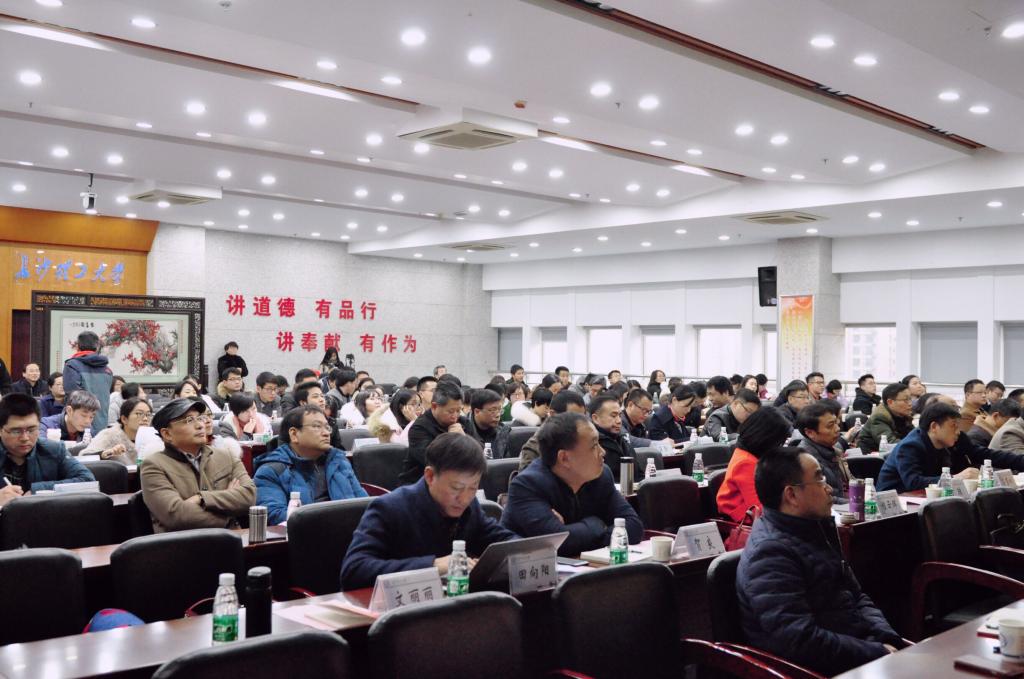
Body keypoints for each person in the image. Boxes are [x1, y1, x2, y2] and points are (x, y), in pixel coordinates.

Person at [737, 447, 903, 676]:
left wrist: (887, 639)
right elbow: (800, 640)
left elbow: (856, 596)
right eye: (819, 479)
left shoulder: (815, 529)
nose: (829, 488)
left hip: (857, 653)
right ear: (791, 495)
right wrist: (876, 652)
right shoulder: (770, 554)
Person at [341, 434, 518, 590]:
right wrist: (434, 565)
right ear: (430, 476)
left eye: (473, 488)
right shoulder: (390, 508)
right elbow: (354, 571)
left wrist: (494, 561)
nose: (464, 499)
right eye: (456, 488)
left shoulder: (470, 507)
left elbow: (505, 542)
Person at [502, 413, 643, 556]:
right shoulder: (528, 485)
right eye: (594, 446)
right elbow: (558, 544)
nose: (603, 452)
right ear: (564, 458)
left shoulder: (601, 476)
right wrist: (598, 524)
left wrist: (577, 535)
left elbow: (634, 526)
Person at [140, 398, 255, 533]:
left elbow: (249, 496)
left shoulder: (226, 456)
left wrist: (201, 498)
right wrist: (229, 514)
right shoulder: (154, 465)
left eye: (200, 418)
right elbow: (176, 515)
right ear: (167, 434)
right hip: (183, 544)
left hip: (229, 541)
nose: (200, 425)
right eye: (189, 420)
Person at [877, 402, 1024, 492]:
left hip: (931, 499)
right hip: (896, 506)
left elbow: (985, 454)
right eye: (953, 426)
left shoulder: (955, 438)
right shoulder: (910, 446)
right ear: (934, 427)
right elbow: (913, 482)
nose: (958, 431)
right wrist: (955, 478)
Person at [254, 405, 366, 524]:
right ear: (294, 434)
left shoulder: (338, 461)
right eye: (317, 426)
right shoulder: (271, 470)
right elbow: (276, 516)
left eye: (327, 427)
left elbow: (364, 502)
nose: (326, 433)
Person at [0, 394, 95, 503]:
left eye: (31, 430)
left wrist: (37, 491)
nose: (25, 438)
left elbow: (87, 480)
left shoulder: (54, 450)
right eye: (16, 431)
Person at [716, 406, 792, 522]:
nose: (780, 446)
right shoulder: (745, 463)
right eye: (778, 441)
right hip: (742, 519)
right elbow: (758, 508)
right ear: (766, 438)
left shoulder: (751, 454)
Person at [399, 382, 468, 485]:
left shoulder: (464, 423)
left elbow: (480, 455)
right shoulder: (419, 428)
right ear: (434, 406)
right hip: (420, 485)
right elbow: (435, 462)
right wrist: (454, 440)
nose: (455, 416)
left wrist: (465, 439)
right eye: (450, 411)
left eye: (459, 410)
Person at [519, 390, 587, 471]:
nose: (579, 423)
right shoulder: (535, 447)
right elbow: (528, 477)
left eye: (582, 418)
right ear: (553, 414)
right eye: (573, 418)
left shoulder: (587, 438)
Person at [795, 402, 850, 502]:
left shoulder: (834, 449)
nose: (837, 429)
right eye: (830, 426)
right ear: (810, 433)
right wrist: (855, 504)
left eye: (836, 423)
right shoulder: (806, 461)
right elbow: (818, 498)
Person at [62, 330, 114, 432]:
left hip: (79, 425)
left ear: (78, 347)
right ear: (97, 347)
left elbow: (72, 396)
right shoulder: (108, 370)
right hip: (102, 424)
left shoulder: (72, 366)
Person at [82, 397, 153, 464]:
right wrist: (105, 453)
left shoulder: (153, 438)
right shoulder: (109, 435)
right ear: (124, 419)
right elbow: (85, 456)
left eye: (148, 414)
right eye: (139, 414)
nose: (145, 419)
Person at [588, 394, 639, 482]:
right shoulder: (590, 444)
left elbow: (638, 473)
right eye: (613, 416)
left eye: (619, 415)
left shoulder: (622, 439)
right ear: (596, 418)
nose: (619, 421)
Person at [858, 382, 915, 453]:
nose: (910, 403)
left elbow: (914, 435)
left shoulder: (903, 414)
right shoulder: (880, 416)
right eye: (906, 400)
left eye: (910, 399)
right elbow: (890, 443)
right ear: (890, 402)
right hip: (871, 454)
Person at [465, 388, 512, 459]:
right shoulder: (463, 431)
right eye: (493, 410)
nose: (498, 415)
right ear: (477, 412)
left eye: (500, 410)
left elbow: (507, 462)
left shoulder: (503, 431)